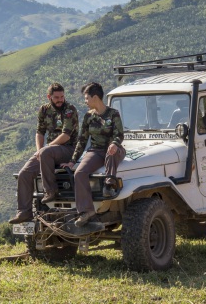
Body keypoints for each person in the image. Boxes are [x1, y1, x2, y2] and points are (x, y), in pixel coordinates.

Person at [9, 83, 79, 224]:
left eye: (62, 96)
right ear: (49, 97)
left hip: (68, 149)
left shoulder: (69, 110)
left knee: (46, 152)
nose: (60, 100)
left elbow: (66, 136)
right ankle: (24, 212)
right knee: (24, 173)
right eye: (56, 97)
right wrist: (39, 150)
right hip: (49, 152)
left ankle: (51, 191)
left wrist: (46, 148)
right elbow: (40, 132)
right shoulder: (44, 110)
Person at [61, 82, 125, 227]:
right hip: (96, 151)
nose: (85, 101)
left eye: (86, 98)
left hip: (114, 149)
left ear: (95, 97)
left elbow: (119, 135)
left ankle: (109, 183)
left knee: (111, 152)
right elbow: (82, 141)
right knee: (79, 173)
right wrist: (72, 161)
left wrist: (114, 143)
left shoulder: (113, 114)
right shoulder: (88, 117)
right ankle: (86, 211)